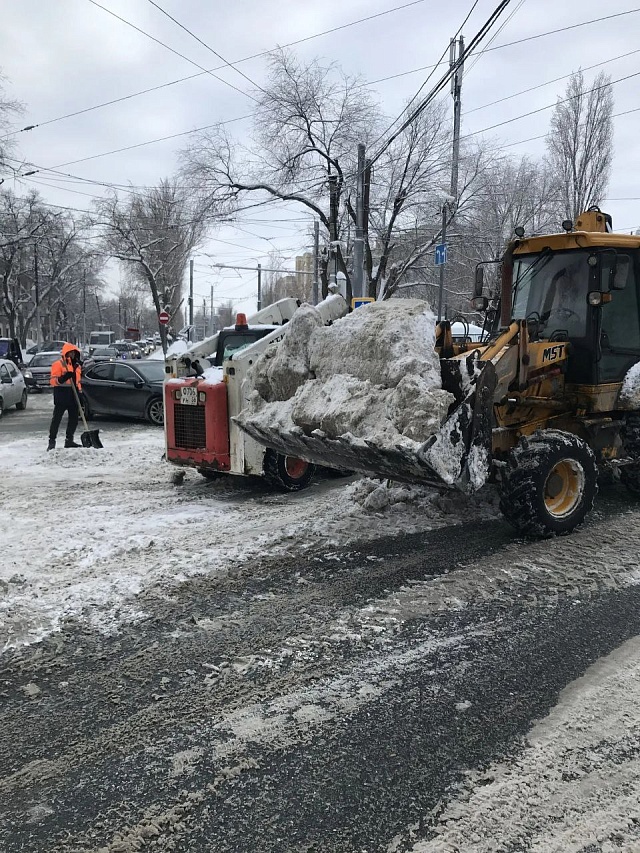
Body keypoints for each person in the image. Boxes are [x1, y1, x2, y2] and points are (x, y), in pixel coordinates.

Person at [48, 343, 83, 450]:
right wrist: (63, 378)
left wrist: (80, 393)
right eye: (71, 353)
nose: (72, 355)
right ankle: (52, 441)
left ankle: (69, 440)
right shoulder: (58, 364)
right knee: (57, 419)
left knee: (74, 419)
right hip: (62, 395)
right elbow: (53, 381)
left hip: (73, 395)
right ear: (66, 353)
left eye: (74, 353)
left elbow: (78, 382)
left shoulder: (76, 366)